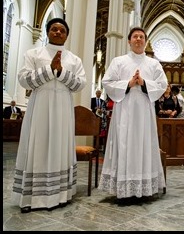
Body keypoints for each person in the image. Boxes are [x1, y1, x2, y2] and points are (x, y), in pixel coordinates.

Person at [11, 18, 86, 213]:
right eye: (54, 29)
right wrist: (49, 69)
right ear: (47, 32)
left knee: (59, 146)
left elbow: (80, 84)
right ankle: (31, 198)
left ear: (67, 35)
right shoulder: (34, 53)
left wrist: (60, 72)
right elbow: (24, 80)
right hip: (40, 107)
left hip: (63, 108)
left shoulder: (74, 59)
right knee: (38, 144)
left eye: (62, 30)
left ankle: (60, 195)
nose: (58, 32)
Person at [99, 26, 167, 204]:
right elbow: (107, 82)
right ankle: (124, 188)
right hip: (125, 110)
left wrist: (144, 83)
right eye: (135, 37)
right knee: (124, 143)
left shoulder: (153, 64)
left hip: (144, 110)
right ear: (129, 41)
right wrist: (128, 83)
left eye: (142, 37)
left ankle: (144, 188)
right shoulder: (119, 61)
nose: (138, 39)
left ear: (145, 41)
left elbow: (162, 84)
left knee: (144, 143)